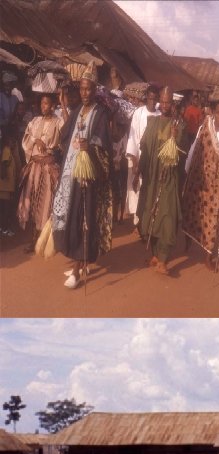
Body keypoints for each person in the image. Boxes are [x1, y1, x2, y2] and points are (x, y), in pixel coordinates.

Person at [51, 62, 113, 289]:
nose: (85, 93)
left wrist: (91, 146)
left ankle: (77, 271)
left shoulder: (100, 114)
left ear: (95, 89)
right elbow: (66, 133)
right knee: (71, 216)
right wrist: (64, 107)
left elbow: (105, 145)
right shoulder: (78, 110)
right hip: (72, 174)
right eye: (82, 89)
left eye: (89, 89)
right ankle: (81, 260)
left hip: (89, 176)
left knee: (83, 218)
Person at [137, 86, 186, 275]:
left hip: (168, 179)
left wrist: (175, 138)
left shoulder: (178, 125)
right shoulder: (152, 122)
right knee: (150, 215)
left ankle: (164, 259)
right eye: (162, 101)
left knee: (167, 217)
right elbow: (144, 147)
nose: (164, 105)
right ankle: (156, 253)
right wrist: (140, 171)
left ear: (172, 103)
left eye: (168, 102)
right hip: (152, 178)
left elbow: (181, 153)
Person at [181, 98, 219, 271]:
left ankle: (208, 255)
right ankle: (189, 239)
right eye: (218, 112)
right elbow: (195, 147)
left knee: (213, 216)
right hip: (199, 177)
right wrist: (187, 168)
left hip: (217, 183)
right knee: (193, 209)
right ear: (214, 112)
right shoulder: (204, 127)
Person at [17, 94, 64, 251]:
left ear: (52, 106)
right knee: (32, 202)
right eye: (43, 103)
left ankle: (45, 240)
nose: (45, 106)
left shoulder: (58, 122)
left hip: (48, 168)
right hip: (35, 167)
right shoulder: (34, 121)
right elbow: (26, 140)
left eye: (48, 104)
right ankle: (33, 240)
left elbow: (64, 140)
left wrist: (53, 155)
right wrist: (35, 141)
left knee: (46, 204)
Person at [125, 84, 160, 229]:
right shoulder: (139, 113)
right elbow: (132, 137)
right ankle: (137, 220)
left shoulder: (160, 115)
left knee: (150, 189)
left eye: (154, 99)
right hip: (138, 156)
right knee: (136, 188)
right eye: (150, 98)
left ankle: (148, 220)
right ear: (146, 99)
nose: (152, 102)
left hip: (154, 159)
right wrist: (134, 159)